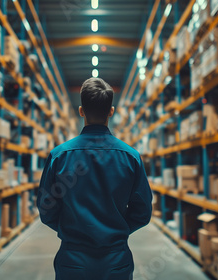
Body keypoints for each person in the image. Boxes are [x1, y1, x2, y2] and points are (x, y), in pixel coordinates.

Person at [37, 77, 152, 280]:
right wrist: (117, 230)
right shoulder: (130, 156)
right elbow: (142, 212)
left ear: (81, 111)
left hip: (73, 261)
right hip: (116, 261)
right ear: (111, 111)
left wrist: (71, 230)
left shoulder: (59, 155)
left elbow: (47, 210)